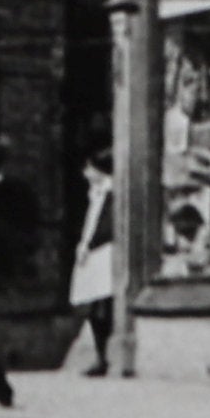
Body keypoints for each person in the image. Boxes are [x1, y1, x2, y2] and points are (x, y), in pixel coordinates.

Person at [70, 150, 119, 376]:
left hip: (102, 254)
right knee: (92, 305)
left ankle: (104, 357)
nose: (86, 173)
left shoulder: (111, 194)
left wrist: (88, 246)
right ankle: (101, 355)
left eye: (89, 169)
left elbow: (106, 227)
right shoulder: (96, 194)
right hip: (92, 254)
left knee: (101, 306)